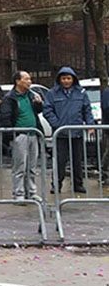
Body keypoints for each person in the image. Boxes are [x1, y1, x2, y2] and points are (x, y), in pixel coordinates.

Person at [42, 65, 94, 194]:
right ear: (59, 79)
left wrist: (90, 124)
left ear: (73, 79)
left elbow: (87, 110)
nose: (66, 81)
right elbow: (47, 110)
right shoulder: (52, 93)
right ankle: (56, 184)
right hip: (61, 134)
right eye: (64, 78)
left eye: (69, 78)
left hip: (76, 132)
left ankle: (78, 184)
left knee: (77, 160)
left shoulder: (80, 92)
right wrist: (57, 125)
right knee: (60, 161)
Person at [0, 71, 44, 200]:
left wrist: (39, 104)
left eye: (30, 79)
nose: (29, 81)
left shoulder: (32, 95)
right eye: (26, 79)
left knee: (32, 166)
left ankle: (31, 191)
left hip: (33, 133)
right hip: (20, 135)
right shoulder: (10, 98)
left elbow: (38, 111)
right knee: (20, 166)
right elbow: (5, 117)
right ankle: (18, 193)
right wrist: (13, 134)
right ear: (18, 81)